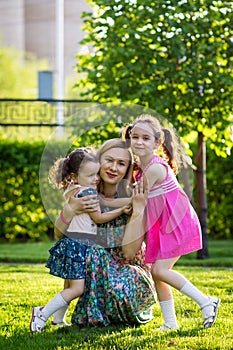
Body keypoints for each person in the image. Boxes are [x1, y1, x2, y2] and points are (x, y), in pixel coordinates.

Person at [122, 114, 220, 330]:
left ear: (157, 143)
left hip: (176, 223)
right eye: (135, 137)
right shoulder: (143, 167)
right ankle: (170, 323)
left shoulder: (155, 168)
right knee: (158, 273)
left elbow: (135, 200)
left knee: (160, 271)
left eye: (145, 138)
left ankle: (206, 302)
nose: (138, 142)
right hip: (163, 226)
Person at [53, 139, 156, 327]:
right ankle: (58, 316)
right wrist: (69, 210)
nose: (114, 168)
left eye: (121, 163)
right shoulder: (85, 192)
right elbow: (59, 234)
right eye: (109, 160)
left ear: (127, 169)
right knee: (86, 254)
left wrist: (138, 210)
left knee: (117, 286)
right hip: (94, 266)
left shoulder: (133, 196)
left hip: (125, 268)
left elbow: (128, 253)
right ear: (98, 161)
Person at [30, 147, 132, 332]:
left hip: (71, 242)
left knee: (69, 285)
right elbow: (99, 217)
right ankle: (42, 313)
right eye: (91, 175)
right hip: (79, 244)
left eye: (96, 174)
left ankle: (58, 319)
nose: (96, 179)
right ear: (76, 176)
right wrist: (122, 210)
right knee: (77, 289)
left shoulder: (72, 189)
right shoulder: (87, 193)